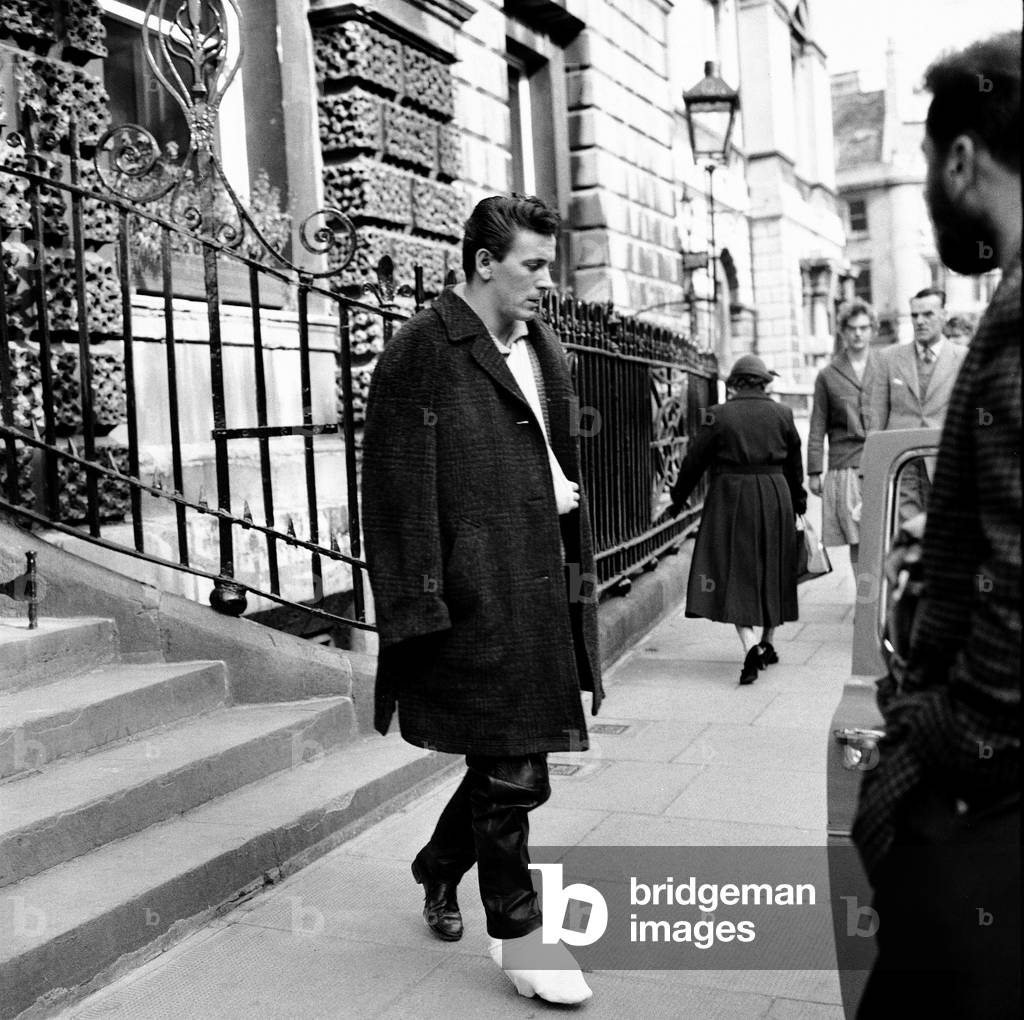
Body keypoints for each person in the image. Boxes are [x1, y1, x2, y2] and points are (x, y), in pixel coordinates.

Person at [360, 194, 603, 1005]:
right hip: (471, 593)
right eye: (532, 265)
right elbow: (395, 497)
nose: (545, 280)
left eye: (548, 263)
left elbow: (551, 454)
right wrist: (417, 609)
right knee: (512, 771)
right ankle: (520, 935)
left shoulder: (543, 348)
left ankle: (436, 866)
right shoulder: (421, 352)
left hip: (541, 583)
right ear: (481, 264)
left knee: (516, 762)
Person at [852, 31, 1020, 1019]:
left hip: (985, 809)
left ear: (959, 159)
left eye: (922, 164)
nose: (922, 190)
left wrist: (929, 737)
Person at [667, 354, 806, 685]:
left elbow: (694, 460)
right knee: (774, 567)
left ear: (735, 384)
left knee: (735, 572)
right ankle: (768, 642)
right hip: (776, 494)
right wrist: (798, 503)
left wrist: (678, 498)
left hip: (732, 498)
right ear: (763, 383)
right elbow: (794, 465)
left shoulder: (719, 415)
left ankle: (751, 645)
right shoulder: (783, 413)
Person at [868, 286, 966, 519]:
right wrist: (871, 470)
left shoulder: (963, 357)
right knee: (905, 537)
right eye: (914, 315)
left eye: (928, 314)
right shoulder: (888, 358)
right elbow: (876, 416)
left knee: (945, 532)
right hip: (902, 464)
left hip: (945, 462)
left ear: (943, 314)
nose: (920, 321)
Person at [807, 299, 879, 568]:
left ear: (873, 329)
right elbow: (818, 424)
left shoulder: (884, 365)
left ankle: (885, 604)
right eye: (851, 328)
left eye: (863, 327)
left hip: (881, 461)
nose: (858, 333)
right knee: (858, 538)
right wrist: (814, 471)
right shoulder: (828, 375)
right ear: (843, 332)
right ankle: (865, 603)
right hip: (846, 465)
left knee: (885, 534)